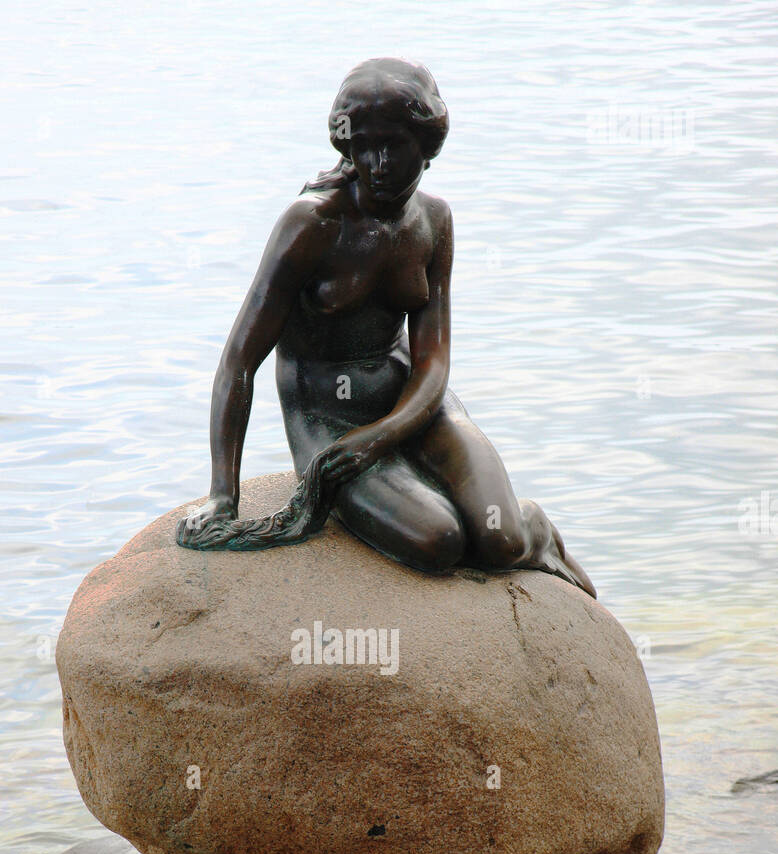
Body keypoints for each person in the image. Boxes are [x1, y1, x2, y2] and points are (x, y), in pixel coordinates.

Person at [177, 57, 595, 597]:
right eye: (362, 146)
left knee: (501, 540)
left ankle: (533, 526)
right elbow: (237, 362)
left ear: (426, 145)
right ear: (345, 146)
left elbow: (433, 362)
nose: (376, 163)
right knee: (438, 541)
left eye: (393, 145)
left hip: (415, 401)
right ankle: (410, 492)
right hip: (327, 417)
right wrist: (221, 494)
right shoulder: (311, 226)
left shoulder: (434, 221)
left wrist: (385, 435)